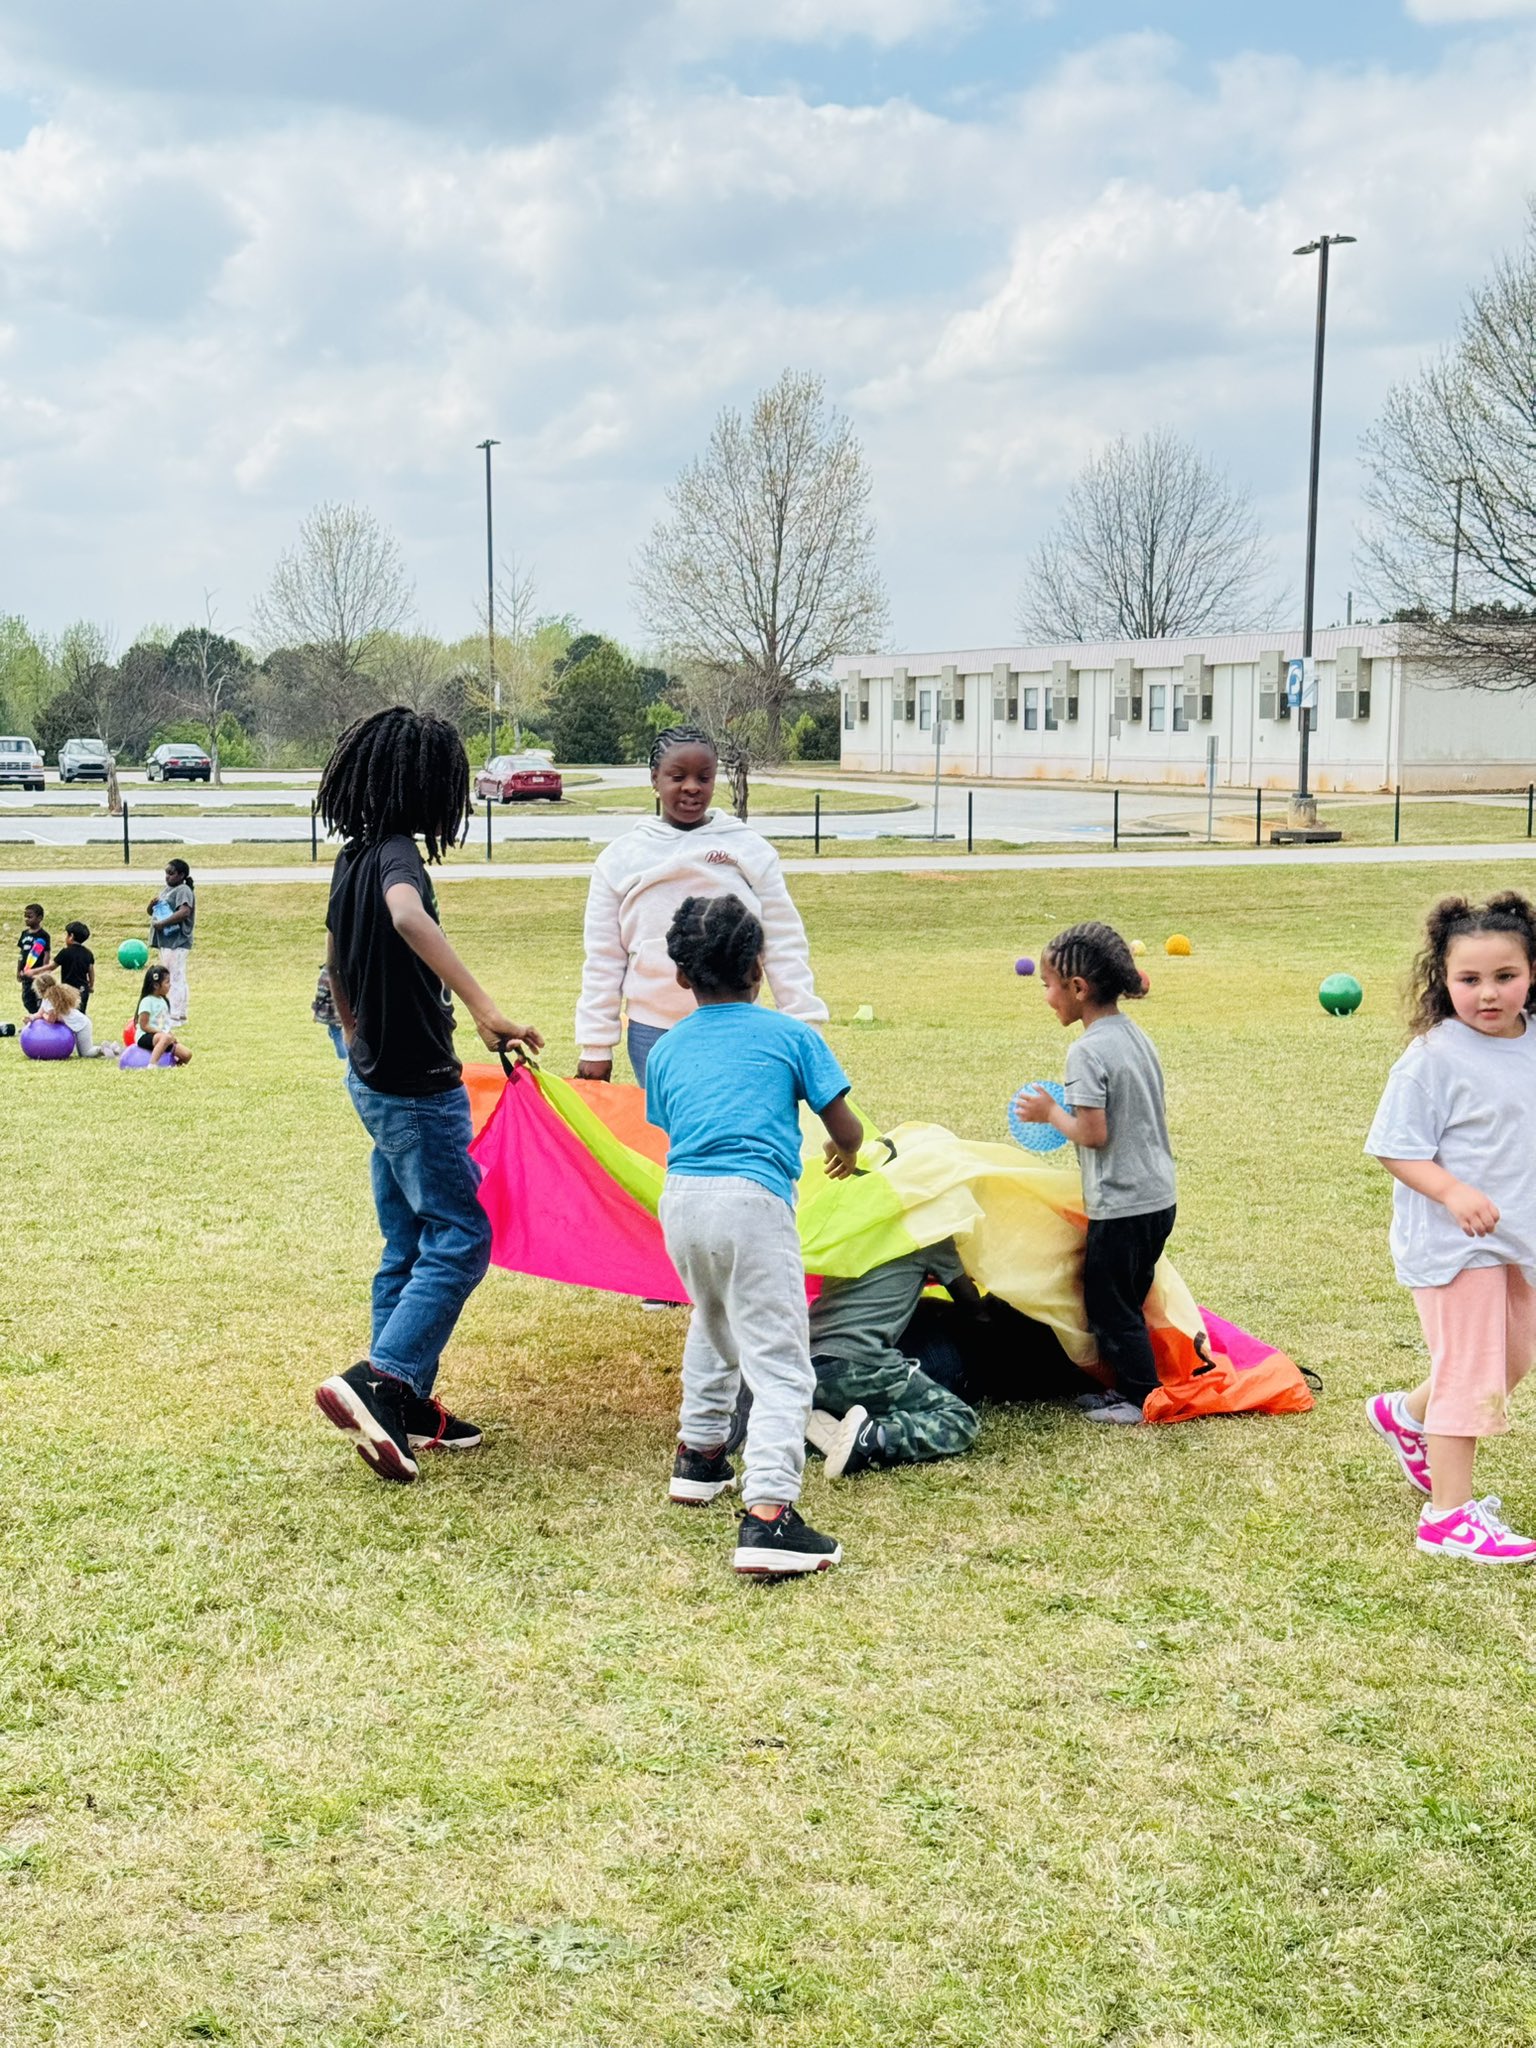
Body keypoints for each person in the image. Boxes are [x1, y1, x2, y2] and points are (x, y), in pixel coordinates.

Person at [312, 706, 544, 1485]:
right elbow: (406, 916)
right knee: (461, 1236)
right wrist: (484, 1009)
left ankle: (400, 1405)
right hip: (416, 1087)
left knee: (407, 1242)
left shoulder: (351, 856)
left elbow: (336, 964)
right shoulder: (400, 857)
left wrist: (355, 1043)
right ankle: (384, 1380)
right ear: (427, 786)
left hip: (373, 1080)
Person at [646, 892, 863, 1578]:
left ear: (682, 976)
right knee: (781, 1366)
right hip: (753, 1204)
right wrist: (847, 1152)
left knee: (713, 1323)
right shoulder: (792, 1036)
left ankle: (701, 1456)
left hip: (681, 1203)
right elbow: (846, 1126)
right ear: (760, 966)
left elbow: (675, 1126)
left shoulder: (668, 1048)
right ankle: (769, 1515)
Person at [1364, 892, 1536, 1564]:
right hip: (1456, 1244)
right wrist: (1454, 1191)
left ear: (1532, 973)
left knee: (1509, 1361)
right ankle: (1448, 1517)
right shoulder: (1433, 1055)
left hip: (1519, 1237)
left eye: (1504, 977)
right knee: (1471, 1372)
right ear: (1443, 979)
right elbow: (1395, 1145)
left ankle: (1407, 1417)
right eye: (1469, 980)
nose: (1487, 994)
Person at [575, 726, 827, 1089]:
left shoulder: (748, 849)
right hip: (654, 1031)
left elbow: (784, 941)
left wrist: (806, 1023)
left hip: (737, 1026)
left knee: (734, 1128)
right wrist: (596, 1045)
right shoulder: (620, 859)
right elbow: (602, 958)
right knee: (668, 1137)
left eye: (704, 777)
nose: (692, 787)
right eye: (678, 777)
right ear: (654, 779)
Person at [1015, 920, 1176, 1423]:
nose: (1046, 996)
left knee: (1111, 1306)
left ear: (1078, 989)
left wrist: (1049, 1113)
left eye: (1048, 985)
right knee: (1127, 1296)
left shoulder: (1086, 1050)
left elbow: (1091, 1132)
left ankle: (1140, 1396)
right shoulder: (1133, 1034)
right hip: (1158, 1195)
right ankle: (1130, 1383)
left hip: (1123, 1201)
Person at [805, 1240, 984, 1477]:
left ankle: (823, 1419)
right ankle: (874, 1437)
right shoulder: (929, 1237)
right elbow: (970, 1301)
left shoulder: (854, 1231)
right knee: (960, 1420)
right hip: (860, 1362)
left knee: (862, 1394)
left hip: (807, 1364)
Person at [148, 859, 195, 1025]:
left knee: (174, 977)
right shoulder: (167, 890)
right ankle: (179, 1013)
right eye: (166, 873)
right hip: (166, 941)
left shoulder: (183, 890)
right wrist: (151, 906)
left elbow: (184, 911)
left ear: (181, 875)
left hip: (177, 941)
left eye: (171, 873)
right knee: (175, 975)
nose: (167, 877)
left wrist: (163, 923)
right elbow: (156, 911)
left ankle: (175, 1014)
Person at [31, 972, 107, 1057]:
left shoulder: (51, 1000)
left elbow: (51, 1019)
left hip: (81, 1026)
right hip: (79, 1024)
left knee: (85, 1053)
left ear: (40, 989)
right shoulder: (46, 999)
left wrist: (44, 1015)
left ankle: (103, 1049)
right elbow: (40, 1013)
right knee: (83, 1052)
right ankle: (108, 1048)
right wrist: (31, 1018)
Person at [134, 964, 193, 1066]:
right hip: (146, 1037)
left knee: (187, 1054)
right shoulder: (147, 1001)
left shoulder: (164, 1001)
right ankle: (152, 1065)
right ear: (156, 985)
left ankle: (173, 1065)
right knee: (165, 1038)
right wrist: (163, 1034)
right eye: (167, 982)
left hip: (163, 1038)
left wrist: (170, 1034)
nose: (170, 985)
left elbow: (164, 1023)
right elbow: (144, 1026)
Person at [15, 902, 49, 1016]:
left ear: (39, 918)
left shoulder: (43, 935)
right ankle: (34, 1016)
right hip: (26, 973)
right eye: (25, 916)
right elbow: (21, 954)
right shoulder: (24, 934)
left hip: (37, 973)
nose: (26, 919)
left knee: (39, 998)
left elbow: (46, 954)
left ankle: (39, 1019)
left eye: (30, 916)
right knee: (27, 999)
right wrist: (18, 970)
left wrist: (43, 971)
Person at [54, 921, 95, 1012]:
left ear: (71, 936)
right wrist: (91, 986)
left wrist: (36, 971)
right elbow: (91, 972)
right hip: (82, 990)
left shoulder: (65, 952)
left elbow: (52, 967)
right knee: (80, 1013)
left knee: (68, 1013)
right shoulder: (88, 953)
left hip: (68, 990)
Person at [312, 962, 346, 1058]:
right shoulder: (345, 970)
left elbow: (321, 993)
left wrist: (316, 1009)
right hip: (344, 1009)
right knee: (336, 1032)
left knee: (336, 1034)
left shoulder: (327, 973)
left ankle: (344, 1057)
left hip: (332, 1012)